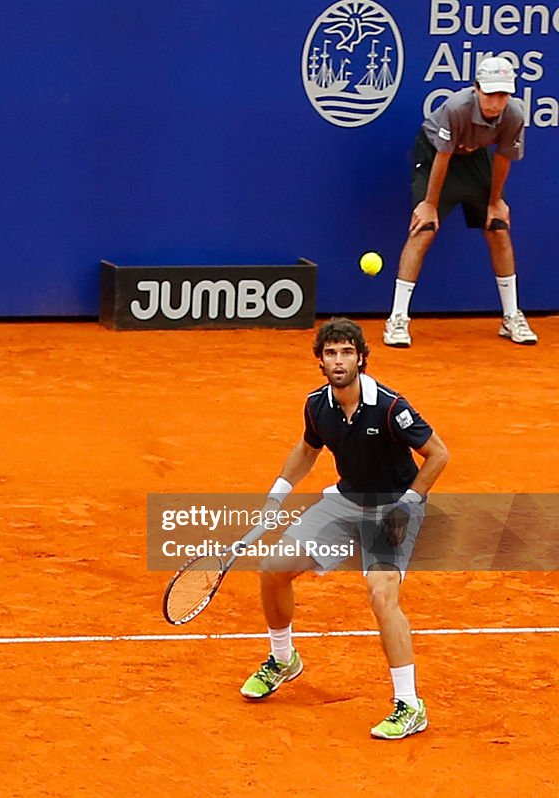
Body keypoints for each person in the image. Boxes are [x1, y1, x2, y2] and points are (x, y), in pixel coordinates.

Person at [239, 318, 449, 740]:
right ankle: (283, 659)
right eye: (331, 353)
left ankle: (409, 705)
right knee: (272, 568)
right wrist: (276, 496)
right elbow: (307, 447)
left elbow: (438, 454)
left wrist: (406, 507)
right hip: (345, 501)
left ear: (361, 359)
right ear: (321, 360)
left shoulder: (390, 407)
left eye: (346, 352)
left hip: (393, 507)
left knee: (381, 593)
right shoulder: (317, 405)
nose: (339, 360)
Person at [384, 56, 538, 347]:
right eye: (490, 93)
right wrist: (429, 203)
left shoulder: (515, 114)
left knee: (498, 227)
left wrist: (495, 201)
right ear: (476, 88)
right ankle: (398, 319)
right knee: (424, 228)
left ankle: (511, 316)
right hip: (435, 155)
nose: (495, 101)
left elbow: (503, 158)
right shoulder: (457, 108)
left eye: (502, 94)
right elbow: (443, 156)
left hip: (473, 157)